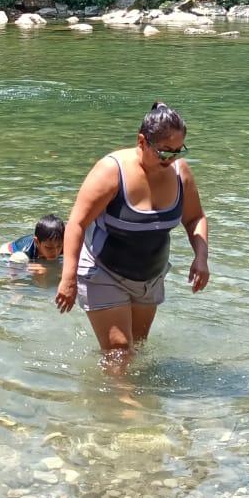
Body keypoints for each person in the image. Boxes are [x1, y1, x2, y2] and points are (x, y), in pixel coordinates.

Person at [55, 102, 210, 375]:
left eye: (178, 151)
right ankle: (126, 412)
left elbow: (195, 218)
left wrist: (201, 258)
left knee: (137, 348)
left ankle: (119, 392)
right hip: (103, 271)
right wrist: (68, 278)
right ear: (142, 141)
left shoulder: (180, 172)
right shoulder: (111, 171)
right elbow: (77, 222)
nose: (171, 159)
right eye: (164, 151)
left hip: (150, 277)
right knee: (119, 350)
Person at [0, 214, 65, 268]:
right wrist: (32, 266)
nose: (55, 252)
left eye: (59, 246)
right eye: (49, 248)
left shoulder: (60, 244)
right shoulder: (25, 252)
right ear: (37, 242)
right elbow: (13, 270)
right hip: (9, 251)